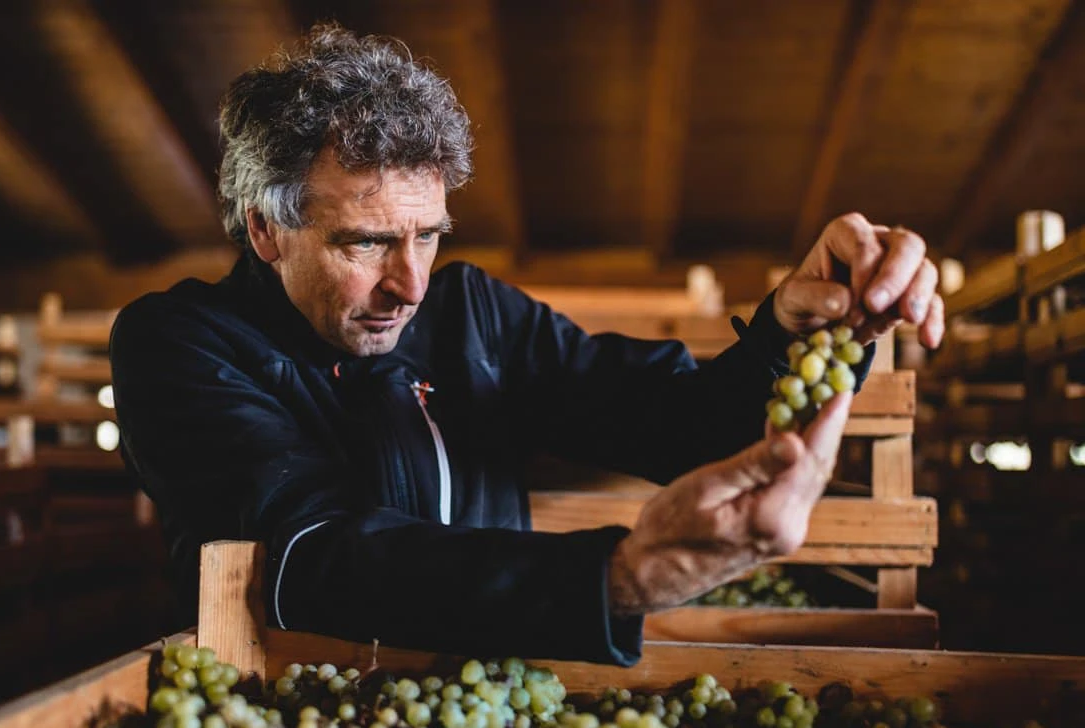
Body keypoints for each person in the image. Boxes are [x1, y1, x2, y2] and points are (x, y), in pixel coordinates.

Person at [109, 24, 944, 665]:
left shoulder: (475, 316)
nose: (412, 286)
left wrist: (802, 331)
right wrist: (612, 581)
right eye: (365, 243)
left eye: (428, 236)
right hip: (288, 721)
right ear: (266, 229)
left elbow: (682, 422)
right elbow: (317, 555)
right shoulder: (180, 345)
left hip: (497, 717)